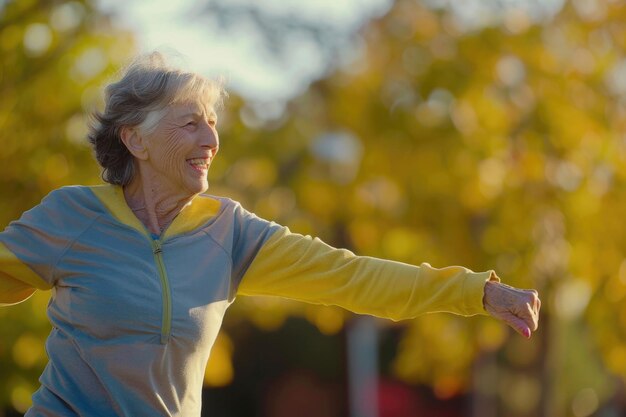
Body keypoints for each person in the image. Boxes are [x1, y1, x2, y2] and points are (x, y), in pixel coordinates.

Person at [0, 51, 540, 417]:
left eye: (212, 122)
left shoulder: (228, 233)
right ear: (135, 140)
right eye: (189, 122)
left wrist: (476, 291)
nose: (211, 137)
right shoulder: (73, 216)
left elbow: (350, 276)